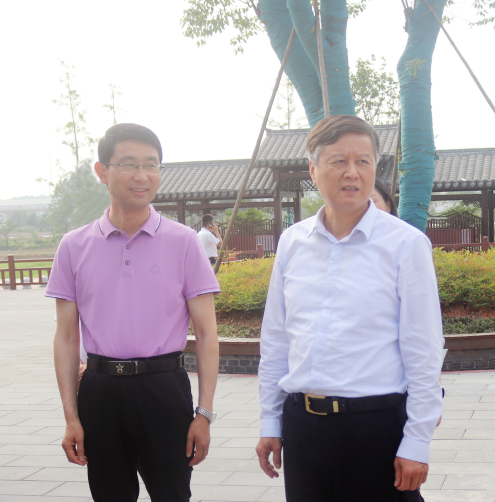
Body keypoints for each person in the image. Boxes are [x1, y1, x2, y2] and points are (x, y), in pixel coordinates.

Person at [256, 115, 444, 501]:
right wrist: (270, 421)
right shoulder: (292, 243)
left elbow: (424, 350)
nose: (352, 172)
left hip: (375, 428)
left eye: (363, 161)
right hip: (302, 426)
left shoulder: (406, 244)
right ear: (313, 170)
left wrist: (417, 440)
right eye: (338, 161)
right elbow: (276, 339)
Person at [47, 123, 221, 502]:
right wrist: (71, 416)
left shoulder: (184, 242)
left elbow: (208, 334)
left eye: (151, 165)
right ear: (102, 171)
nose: (142, 176)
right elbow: (66, 336)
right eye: (128, 164)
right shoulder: (73, 246)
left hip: (164, 389)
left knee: (172, 494)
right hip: (99, 391)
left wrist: (204, 413)